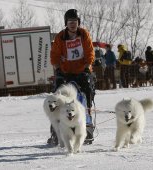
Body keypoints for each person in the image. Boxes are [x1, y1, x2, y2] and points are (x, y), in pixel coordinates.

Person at [50, 9, 95, 145]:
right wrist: (58, 70)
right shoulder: (60, 37)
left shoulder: (84, 34)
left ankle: (87, 125)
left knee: (86, 93)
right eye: (70, 22)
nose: (72, 24)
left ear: (78, 23)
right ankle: (56, 129)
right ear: (66, 23)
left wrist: (87, 68)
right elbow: (54, 56)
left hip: (82, 71)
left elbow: (90, 52)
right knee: (58, 96)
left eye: (75, 22)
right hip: (65, 72)